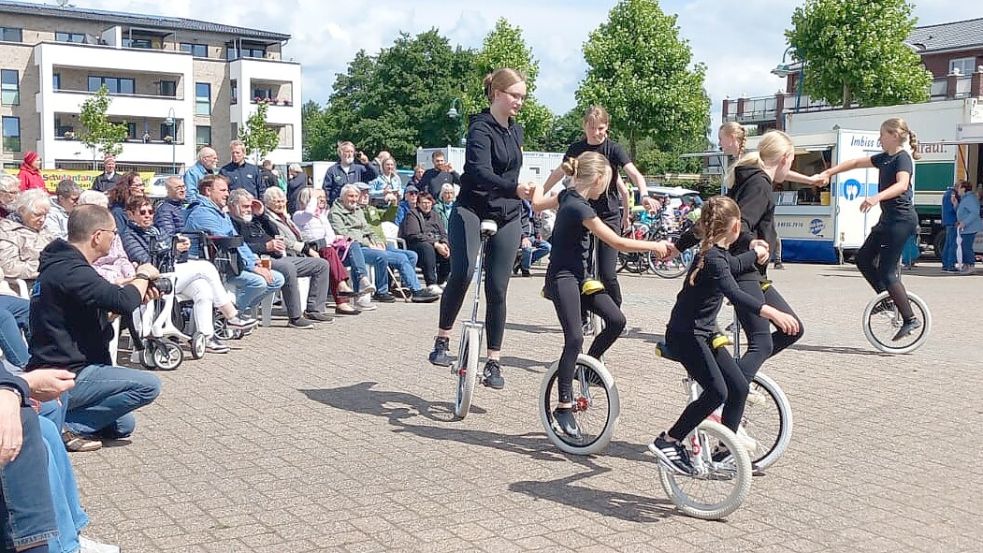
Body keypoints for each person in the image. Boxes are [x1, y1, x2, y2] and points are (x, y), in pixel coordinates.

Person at [650, 196, 798, 474]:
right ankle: (669, 440)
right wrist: (773, 313)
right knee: (717, 391)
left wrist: (754, 254)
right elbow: (735, 293)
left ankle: (724, 451)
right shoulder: (714, 259)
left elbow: (735, 266)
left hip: (701, 334)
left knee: (739, 387)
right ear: (736, 226)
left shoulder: (716, 255)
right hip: (686, 337)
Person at [531, 152, 669, 437]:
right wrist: (654, 246)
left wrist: (534, 189)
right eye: (606, 182)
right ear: (597, 179)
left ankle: (589, 365)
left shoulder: (566, 195)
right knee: (575, 337)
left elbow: (536, 204)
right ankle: (564, 405)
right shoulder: (580, 207)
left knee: (616, 320)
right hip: (563, 278)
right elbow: (617, 242)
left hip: (582, 278)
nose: (607, 189)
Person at [427, 68, 534, 390]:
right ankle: (442, 340)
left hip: (507, 214)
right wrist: (513, 187)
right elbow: (479, 171)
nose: (519, 102)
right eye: (515, 96)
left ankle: (493, 362)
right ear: (497, 94)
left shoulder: (517, 131)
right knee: (463, 270)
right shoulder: (479, 129)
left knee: (498, 288)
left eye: (523, 97)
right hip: (472, 208)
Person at [26, 204, 162, 446]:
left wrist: (126, 299)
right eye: (113, 233)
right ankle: (64, 427)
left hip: (69, 365)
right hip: (64, 374)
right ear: (98, 236)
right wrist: (142, 275)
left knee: (123, 425)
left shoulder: (65, 265)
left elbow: (92, 313)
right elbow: (123, 301)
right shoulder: (71, 270)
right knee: (148, 385)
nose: (115, 238)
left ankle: (63, 420)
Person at [539, 106, 660, 310]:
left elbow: (635, 174)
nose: (596, 133)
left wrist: (644, 195)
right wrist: (540, 193)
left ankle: (615, 311)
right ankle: (583, 315)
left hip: (608, 214)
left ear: (607, 127)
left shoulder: (614, 149)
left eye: (601, 128)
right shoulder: (576, 149)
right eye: (592, 128)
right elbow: (558, 174)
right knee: (580, 269)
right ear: (584, 126)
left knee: (607, 272)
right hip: (582, 213)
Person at [819, 118, 923, 339]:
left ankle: (910, 318)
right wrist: (830, 172)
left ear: (894, 135)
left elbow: (902, 185)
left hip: (902, 220)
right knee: (863, 258)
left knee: (887, 271)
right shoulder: (885, 158)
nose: (879, 138)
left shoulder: (902, 158)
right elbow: (856, 163)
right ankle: (886, 300)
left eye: (882, 134)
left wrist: (876, 197)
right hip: (888, 220)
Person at [121, 196, 257, 353]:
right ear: (131, 215)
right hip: (155, 279)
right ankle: (231, 316)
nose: (147, 215)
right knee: (206, 267)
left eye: (150, 211)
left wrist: (182, 249)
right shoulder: (129, 235)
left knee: (203, 288)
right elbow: (146, 261)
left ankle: (207, 337)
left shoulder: (157, 230)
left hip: (172, 273)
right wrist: (173, 250)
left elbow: (177, 257)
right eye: (142, 212)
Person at [719, 122, 825, 270]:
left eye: (720, 139)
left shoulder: (752, 163)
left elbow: (778, 171)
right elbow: (740, 221)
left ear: (731, 138)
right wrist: (752, 242)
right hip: (745, 261)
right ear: (784, 159)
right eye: (791, 161)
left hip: (746, 259)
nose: (719, 143)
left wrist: (810, 180)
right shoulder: (758, 181)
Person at [183, 175, 285, 317]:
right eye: (223, 190)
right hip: (214, 267)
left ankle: (235, 310)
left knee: (277, 279)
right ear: (207, 191)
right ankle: (231, 316)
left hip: (229, 264)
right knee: (258, 282)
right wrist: (253, 267)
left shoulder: (220, 213)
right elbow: (227, 242)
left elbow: (238, 241)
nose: (227, 194)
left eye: (227, 190)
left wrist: (253, 260)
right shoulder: (202, 213)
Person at [228, 189, 333, 327]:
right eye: (245, 206)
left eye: (250, 206)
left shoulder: (255, 219)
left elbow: (275, 232)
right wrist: (265, 247)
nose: (248, 209)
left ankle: (314, 309)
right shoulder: (232, 222)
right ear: (233, 206)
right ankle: (295, 317)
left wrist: (261, 215)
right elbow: (241, 248)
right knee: (287, 268)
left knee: (321, 264)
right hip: (259, 259)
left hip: (278, 256)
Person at [329, 184, 439, 304]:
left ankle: (406, 286)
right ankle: (401, 291)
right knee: (394, 257)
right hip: (352, 249)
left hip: (368, 245)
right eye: (351, 196)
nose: (354, 199)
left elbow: (369, 229)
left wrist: (378, 241)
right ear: (342, 197)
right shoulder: (335, 213)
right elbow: (344, 234)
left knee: (411, 254)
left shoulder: (357, 210)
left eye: (356, 196)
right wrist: (369, 243)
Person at [294, 187, 375, 313]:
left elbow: (331, 235)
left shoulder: (321, 216)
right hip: (309, 250)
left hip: (325, 248)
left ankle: (357, 281)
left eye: (322, 197)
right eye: (317, 198)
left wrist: (332, 240)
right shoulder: (299, 215)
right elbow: (308, 213)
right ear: (308, 200)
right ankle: (342, 296)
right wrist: (314, 197)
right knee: (329, 254)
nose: (322, 200)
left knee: (345, 247)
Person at [0, 189, 56, 281]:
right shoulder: (8, 232)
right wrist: (46, 266)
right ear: (22, 211)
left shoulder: (44, 230)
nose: (42, 219)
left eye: (45, 215)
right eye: (37, 215)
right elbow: (8, 268)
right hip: (28, 286)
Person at [399, 192, 450, 293]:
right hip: (416, 245)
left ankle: (442, 281)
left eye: (429, 202)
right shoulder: (412, 214)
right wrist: (435, 244)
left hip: (435, 243)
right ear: (418, 204)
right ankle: (431, 283)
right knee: (427, 248)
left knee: (450, 248)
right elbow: (414, 235)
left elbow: (443, 233)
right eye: (423, 203)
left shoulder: (435, 215)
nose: (426, 205)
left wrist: (444, 243)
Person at [515, 200, 551, 277]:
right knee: (527, 248)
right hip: (521, 236)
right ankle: (525, 268)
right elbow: (517, 224)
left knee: (547, 247)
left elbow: (537, 222)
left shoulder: (534, 206)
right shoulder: (519, 205)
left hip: (532, 236)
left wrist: (538, 234)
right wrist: (523, 237)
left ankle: (522, 261)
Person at [955, 181, 981, 273]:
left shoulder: (969, 199)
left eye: (959, 187)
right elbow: (963, 211)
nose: (957, 189)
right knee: (963, 246)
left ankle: (971, 265)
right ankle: (966, 265)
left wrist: (964, 222)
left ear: (963, 189)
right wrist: (955, 206)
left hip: (970, 228)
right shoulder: (965, 198)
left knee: (966, 247)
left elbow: (974, 212)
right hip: (965, 228)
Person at [940, 183, 960, 273]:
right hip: (953, 221)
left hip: (947, 221)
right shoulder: (953, 194)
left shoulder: (947, 193)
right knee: (952, 244)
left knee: (947, 244)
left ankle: (945, 264)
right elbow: (954, 208)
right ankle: (950, 265)